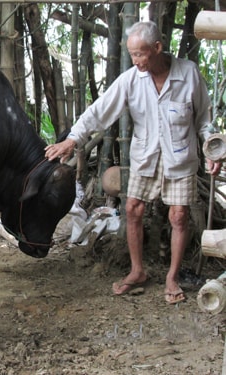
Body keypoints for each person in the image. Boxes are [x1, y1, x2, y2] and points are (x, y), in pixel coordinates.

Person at [44, 21, 222, 304]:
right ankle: (138, 271)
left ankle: (172, 277)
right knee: (132, 209)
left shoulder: (188, 74)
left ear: (158, 48)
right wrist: (74, 138)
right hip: (146, 157)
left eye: (140, 54)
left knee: (179, 216)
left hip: (179, 158)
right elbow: (99, 110)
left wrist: (214, 150)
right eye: (132, 54)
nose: (136, 60)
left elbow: (204, 120)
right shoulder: (130, 79)